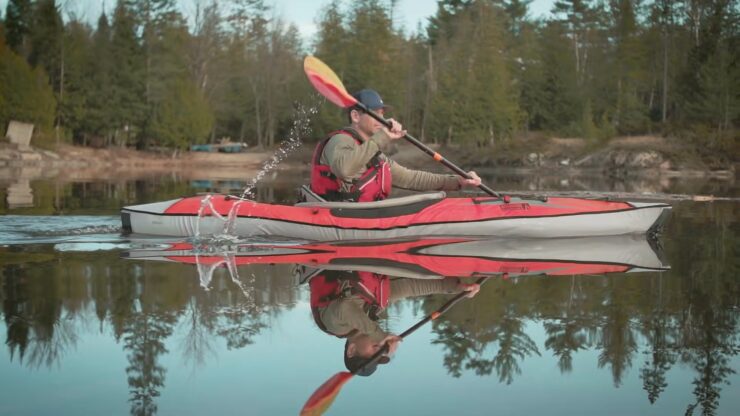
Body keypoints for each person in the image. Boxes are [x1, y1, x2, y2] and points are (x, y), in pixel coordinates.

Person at [311, 89, 482, 202]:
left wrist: (458, 181)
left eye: (383, 114)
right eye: (376, 114)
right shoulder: (341, 141)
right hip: (330, 216)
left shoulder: (373, 153)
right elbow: (343, 169)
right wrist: (383, 137)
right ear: (356, 116)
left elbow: (411, 178)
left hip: (358, 217)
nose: (382, 120)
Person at [309, 269, 480, 376]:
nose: (381, 349)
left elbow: (344, 307)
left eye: (373, 354)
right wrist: (458, 287)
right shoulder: (373, 308)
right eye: (381, 354)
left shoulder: (335, 326)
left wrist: (378, 334)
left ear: (352, 349)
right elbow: (411, 287)